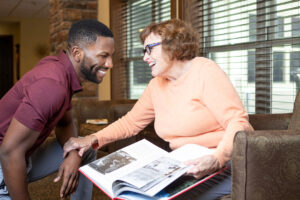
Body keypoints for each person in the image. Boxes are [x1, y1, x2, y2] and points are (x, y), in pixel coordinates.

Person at [63, 19, 253, 199]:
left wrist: (217, 159)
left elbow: (237, 121)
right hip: (182, 165)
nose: (145, 57)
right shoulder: (156, 85)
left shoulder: (204, 71)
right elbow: (131, 123)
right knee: (130, 192)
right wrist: (91, 139)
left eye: (149, 49)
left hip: (224, 163)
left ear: (173, 45)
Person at [0, 19, 114, 200]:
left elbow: (65, 122)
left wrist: (74, 155)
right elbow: (9, 152)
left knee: (86, 148)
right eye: (103, 55)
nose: (110, 64)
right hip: (5, 162)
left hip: (22, 154)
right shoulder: (52, 85)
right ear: (77, 53)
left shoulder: (61, 70)